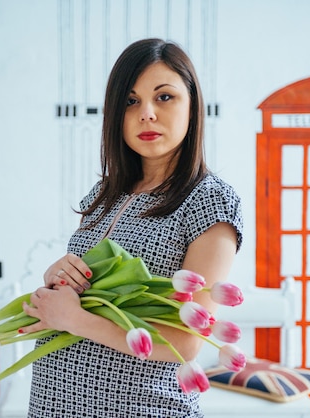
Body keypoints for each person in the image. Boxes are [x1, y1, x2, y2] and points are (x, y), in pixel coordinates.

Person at [21, 38, 243, 417]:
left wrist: (76, 320)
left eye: (164, 97)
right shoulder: (105, 192)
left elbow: (187, 342)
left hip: (141, 408)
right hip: (56, 405)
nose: (147, 114)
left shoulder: (209, 199)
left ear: (193, 106)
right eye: (131, 101)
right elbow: (88, 293)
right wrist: (57, 279)